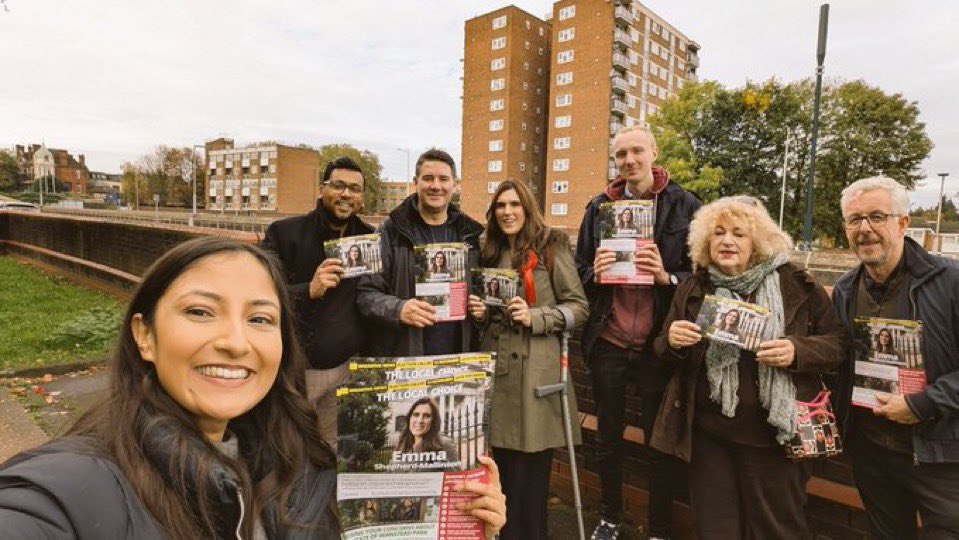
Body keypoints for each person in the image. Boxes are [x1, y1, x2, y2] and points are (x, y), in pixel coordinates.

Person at [0, 237, 508, 540]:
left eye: (260, 319)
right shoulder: (67, 487)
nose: (235, 342)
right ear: (144, 336)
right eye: (200, 311)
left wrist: (457, 527)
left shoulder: (300, 468)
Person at [650, 196, 845, 539]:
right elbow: (663, 350)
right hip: (710, 437)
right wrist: (673, 341)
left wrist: (796, 350)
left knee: (777, 529)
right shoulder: (696, 286)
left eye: (739, 234)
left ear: (757, 241)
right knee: (715, 529)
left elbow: (838, 345)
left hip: (775, 438)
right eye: (719, 233)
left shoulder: (796, 283)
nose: (727, 241)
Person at [575, 126, 700, 540]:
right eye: (621, 153)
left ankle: (659, 527)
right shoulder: (598, 208)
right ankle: (611, 516)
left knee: (658, 443)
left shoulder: (685, 205)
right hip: (608, 339)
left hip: (656, 344)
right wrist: (596, 270)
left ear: (654, 152)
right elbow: (577, 272)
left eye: (636, 152)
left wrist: (667, 276)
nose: (629, 160)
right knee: (607, 437)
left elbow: (703, 277)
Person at [831, 176, 959, 539]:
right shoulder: (844, 290)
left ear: (903, 223)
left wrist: (922, 404)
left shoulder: (951, 282)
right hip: (872, 450)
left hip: (942, 454)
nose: (865, 229)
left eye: (877, 216)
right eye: (855, 220)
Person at [468, 180, 589, 540]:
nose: (507, 212)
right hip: (497, 377)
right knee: (497, 479)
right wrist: (480, 313)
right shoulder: (488, 250)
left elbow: (579, 308)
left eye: (515, 205)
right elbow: (491, 317)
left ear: (528, 208)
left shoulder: (551, 246)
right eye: (501, 205)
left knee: (530, 487)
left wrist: (536, 316)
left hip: (536, 382)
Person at [261, 156, 372, 448]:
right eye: (338, 186)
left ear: (362, 198)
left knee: (331, 452)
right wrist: (306, 290)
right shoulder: (284, 233)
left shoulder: (371, 239)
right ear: (322, 189)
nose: (346, 194)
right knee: (285, 447)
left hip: (347, 369)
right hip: (295, 371)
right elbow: (256, 295)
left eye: (355, 189)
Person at [358, 148, 483, 356]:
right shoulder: (389, 231)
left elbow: (480, 293)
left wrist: (481, 311)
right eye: (428, 178)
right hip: (408, 358)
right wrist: (399, 310)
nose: (436, 186)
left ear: (455, 185)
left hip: (458, 360)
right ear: (416, 183)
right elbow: (365, 295)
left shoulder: (470, 236)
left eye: (443, 179)